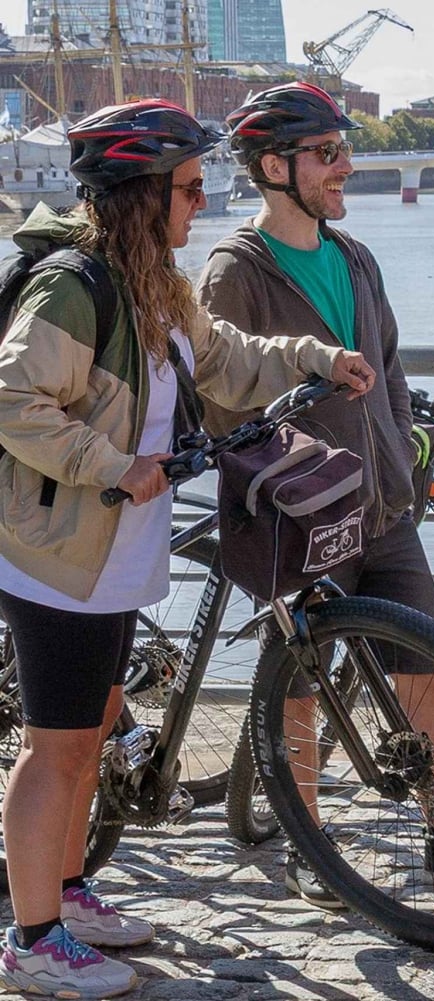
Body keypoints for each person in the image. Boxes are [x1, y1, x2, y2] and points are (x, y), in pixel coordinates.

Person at [0, 100, 376, 998]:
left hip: (113, 554)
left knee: (92, 733)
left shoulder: (153, 282)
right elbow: (12, 399)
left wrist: (315, 358)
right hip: (55, 555)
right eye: (189, 188)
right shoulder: (74, 288)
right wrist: (114, 465)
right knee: (57, 749)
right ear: (142, 194)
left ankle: (67, 892)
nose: (202, 202)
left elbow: (223, 357)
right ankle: (31, 941)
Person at [196, 82, 434, 909]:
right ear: (275, 167)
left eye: (344, 150)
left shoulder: (354, 257)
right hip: (300, 515)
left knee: (425, 660)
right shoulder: (236, 270)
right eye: (328, 153)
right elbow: (218, 402)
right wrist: (291, 473)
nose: (346, 166)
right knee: (297, 679)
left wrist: (403, 450)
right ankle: (309, 844)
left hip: (383, 506)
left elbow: (392, 366)